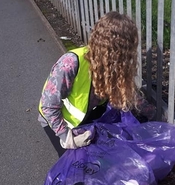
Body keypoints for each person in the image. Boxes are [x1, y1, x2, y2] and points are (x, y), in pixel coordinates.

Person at [38, 11, 155, 157]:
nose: (129, 57)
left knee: (112, 156)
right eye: (126, 51)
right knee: (81, 172)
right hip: (60, 120)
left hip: (89, 115)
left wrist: (152, 114)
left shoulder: (113, 67)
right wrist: (67, 138)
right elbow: (48, 106)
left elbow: (129, 95)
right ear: (114, 50)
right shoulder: (71, 63)